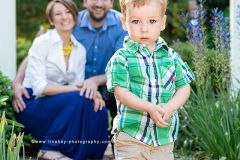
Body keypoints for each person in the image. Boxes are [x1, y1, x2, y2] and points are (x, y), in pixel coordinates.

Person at [12, 0, 128, 153]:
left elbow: (121, 66)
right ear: (85, 2)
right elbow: (33, 57)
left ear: (112, 3)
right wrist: (16, 83)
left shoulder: (119, 27)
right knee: (80, 98)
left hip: (105, 82)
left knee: (99, 105)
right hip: (37, 97)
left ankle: (96, 151)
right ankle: (50, 149)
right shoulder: (59, 29)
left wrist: (91, 88)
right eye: (58, 14)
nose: (99, 3)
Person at [105, 0, 195, 159]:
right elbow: (121, 93)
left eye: (152, 21)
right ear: (124, 23)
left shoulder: (171, 57)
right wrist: (149, 108)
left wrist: (170, 106)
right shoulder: (121, 58)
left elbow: (184, 87)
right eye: (135, 21)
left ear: (162, 22)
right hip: (131, 136)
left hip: (164, 139)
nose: (144, 28)